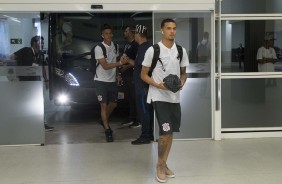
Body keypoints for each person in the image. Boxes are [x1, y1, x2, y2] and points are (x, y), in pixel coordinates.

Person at [141, 18, 189, 182]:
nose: (172, 31)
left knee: (170, 133)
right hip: (159, 96)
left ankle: (164, 163)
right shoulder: (153, 50)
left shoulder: (181, 51)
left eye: (174, 28)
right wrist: (158, 85)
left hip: (174, 97)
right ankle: (159, 166)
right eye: (168, 28)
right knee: (165, 132)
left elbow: (184, 72)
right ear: (162, 30)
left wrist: (182, 82)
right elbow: (143, 75)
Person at [94, 24, 129, 142]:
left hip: (112, 81)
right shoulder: (99, 48)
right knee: (103, 105)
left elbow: (115, 62)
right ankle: (107, 129)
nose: (108, 35)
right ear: (102, 35)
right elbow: (105, 66)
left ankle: (103, 120)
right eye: (106, 33)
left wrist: (118, 73)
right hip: (100, 81)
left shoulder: (115, 46)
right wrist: (120, 63)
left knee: (113, 104)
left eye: (110, 33)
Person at [11, 36, 54, 131]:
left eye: (43, 43)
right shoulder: (25, 50)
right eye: (40, 42)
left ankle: (42, 124)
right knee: (24, 103)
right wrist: (16, 73)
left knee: (38, 103)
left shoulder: (41, 54)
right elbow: (12, 57)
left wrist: (46, 80)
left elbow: (42, 67)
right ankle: (24, 124)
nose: (42, 44)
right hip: (24, 82)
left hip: (36, 82)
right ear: (34, 43)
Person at [128, 24, 154, 145]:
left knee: (144, 112)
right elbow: (139, 66)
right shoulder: (145, 48)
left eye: (135, 34)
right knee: (146, 111)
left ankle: (146, 136)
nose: (134, 36)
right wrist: (128, 61)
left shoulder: (144, 49)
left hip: (143, 88)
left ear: (138, 35)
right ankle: (149, 134)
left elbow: (144, 69)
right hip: (143, 87)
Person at [120, 26, 140, 128]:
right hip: (126, 75)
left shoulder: (135, 45)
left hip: (132, 75)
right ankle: (131, 118)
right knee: (129, 97)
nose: (124, 33)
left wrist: (126, 67)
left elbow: (137, 62)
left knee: (135, 97)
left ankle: (138, 120)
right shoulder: (127, 45)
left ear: (131, 32)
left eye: (126, 31)